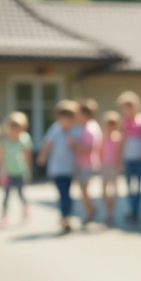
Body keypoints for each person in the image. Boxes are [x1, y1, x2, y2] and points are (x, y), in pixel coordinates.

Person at [37, 100, 80, 234]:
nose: (66, 120)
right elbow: (48, 144)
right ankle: (65, 217)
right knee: (63, 194)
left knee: (68, 194)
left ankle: (66, 216)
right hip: (57, 168)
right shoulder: (54, 129)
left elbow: (79, 148)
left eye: (69, 117)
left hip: (71, 168)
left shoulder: (75, 131)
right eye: (63, 117)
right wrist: (42, 155)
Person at [69, 99, 102, 224]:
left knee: (84, 189)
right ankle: (90, 211)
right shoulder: (85, 127)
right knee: (83, 190)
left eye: (79, 113)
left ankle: (90, 211)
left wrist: (73, 145)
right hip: (83, 164)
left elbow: (89, 150)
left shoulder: (90, 129)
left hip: (87, 164)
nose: (77, 116)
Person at [117, 91, 141, 224]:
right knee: (129, 187)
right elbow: (122, 142)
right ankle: (132, 210)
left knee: (139, 187)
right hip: (128, 158)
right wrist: (119, 158)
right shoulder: (124, 124)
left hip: (140, 159)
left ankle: (137, 210)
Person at [0, 111, 34, 227]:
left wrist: (28, 171)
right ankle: (4, 215)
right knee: (6, 195)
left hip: (20, 171)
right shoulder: (5, 141)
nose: (15, 129)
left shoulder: (24, 139)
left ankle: (25, 208)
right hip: (8, 172)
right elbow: (1, 157)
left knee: (20, 194)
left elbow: (27, 156)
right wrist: (1, 171)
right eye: (12, 126)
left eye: (17, 127)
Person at [100, 111, 123, 227]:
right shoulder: (103, 138)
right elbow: (99, 152)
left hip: (114, 166)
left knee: (113, 189)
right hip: (105, 166)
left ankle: (111, 213)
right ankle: (107, 211)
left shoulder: (118, 138)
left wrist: (119, 163)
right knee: (103, 189)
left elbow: (121, 153)